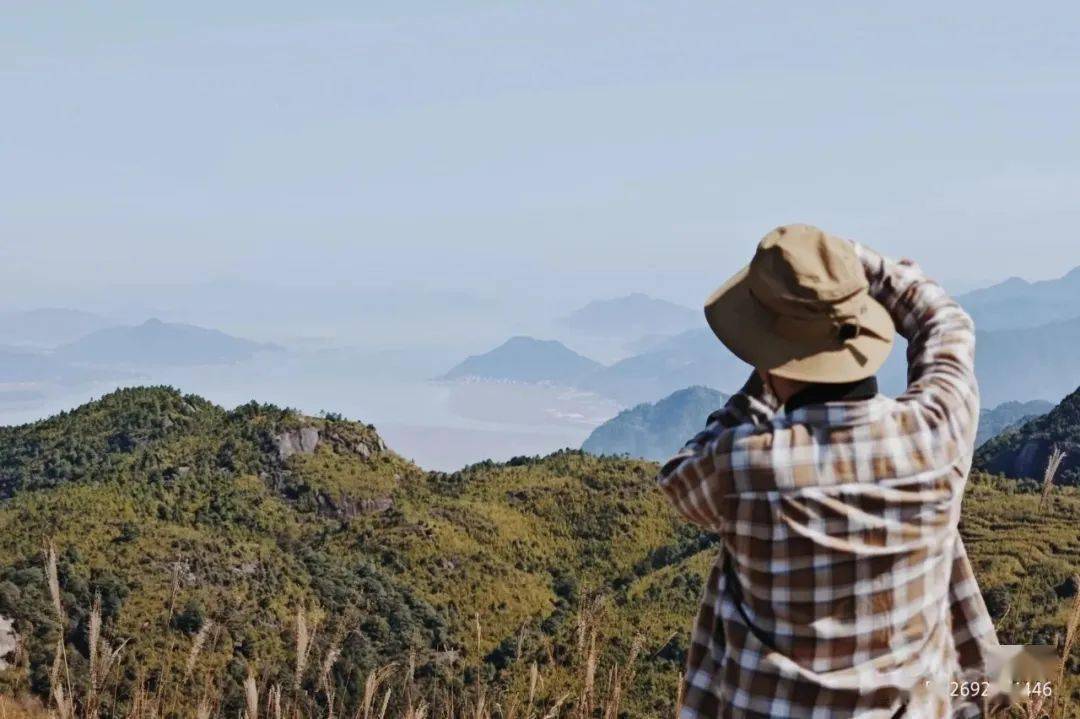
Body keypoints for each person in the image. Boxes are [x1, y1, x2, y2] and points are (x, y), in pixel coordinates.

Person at [658, 225, 999, 718]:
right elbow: (945, 323)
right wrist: (855, 265)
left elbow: (680, 480)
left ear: (768, 354)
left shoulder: (746, 466)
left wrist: (766, 382)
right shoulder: (935, 435)